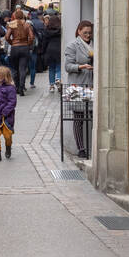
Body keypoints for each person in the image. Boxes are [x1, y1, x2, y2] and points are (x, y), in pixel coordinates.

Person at [64, 20, 94, 158]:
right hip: (77, 86)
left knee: (94, 116)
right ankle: (81, 148)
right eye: (85, 32)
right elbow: (68, 67)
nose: (88, 35)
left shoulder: (95, 44)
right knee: (78, 118)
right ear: (79, 31)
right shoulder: (72, 45)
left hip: (92, 85)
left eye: (89, 32)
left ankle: (96, 147)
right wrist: (81, 67)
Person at [5, 10, 34, 96]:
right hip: (24, 47)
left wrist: (12, 43)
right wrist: (27, 44)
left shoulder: (12, 25)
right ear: (22, 16)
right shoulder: (27, 25)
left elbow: (7, 37)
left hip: (14, 48)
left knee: (14, 69)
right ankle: (21, 87)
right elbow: (32, 37)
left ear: (14, 16)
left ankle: (16, 87)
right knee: (22, 69)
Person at [41, 15, 62, 91]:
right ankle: (58, 79)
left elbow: (44, 43)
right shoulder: (60, 30)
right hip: (59, 50)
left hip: (49, 51)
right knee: (59, 67)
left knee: (51, 69)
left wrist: (42, 52)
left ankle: (51, 86)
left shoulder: (46, 30)